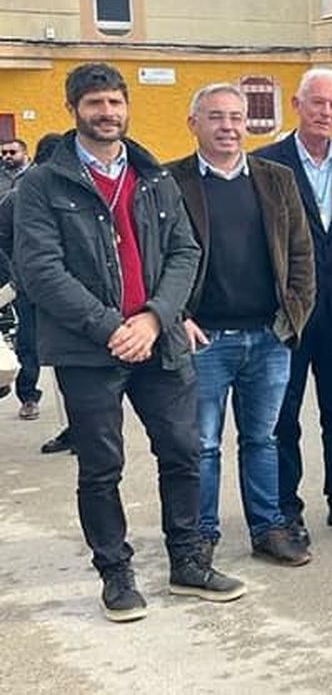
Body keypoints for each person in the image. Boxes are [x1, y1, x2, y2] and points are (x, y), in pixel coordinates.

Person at [13, 62, 246, 621]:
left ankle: (188, 562)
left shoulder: (152, 176)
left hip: (156, 340)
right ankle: (116, 575)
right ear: (73, 109)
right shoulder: (43, 184)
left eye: (115, 102)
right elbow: (39, 270)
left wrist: (153, 318)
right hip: (89, 349)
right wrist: (110, 327)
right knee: (101, 465)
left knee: (183, 451)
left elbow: (184, 252)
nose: (107, 113)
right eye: (95, 103)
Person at [169, 83, 316, 567]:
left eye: (235, 117)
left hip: (268, 337)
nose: (228, 127)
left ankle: (267, 529)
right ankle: (202, 536)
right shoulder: (172, 182)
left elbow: (300, 254)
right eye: (216, 117)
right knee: (204, 446)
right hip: (204, 339)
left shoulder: (276, 179)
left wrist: (291, 316)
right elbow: (156, 260)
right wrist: (178, 316)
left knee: (263, 439)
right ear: (193, 123)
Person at [255, 68, 332, 542]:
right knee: (282, 416)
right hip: (286, 314)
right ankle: (286, 507)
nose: (325, 112)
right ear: (296, 105)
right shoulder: (265, 163)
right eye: (317, 103)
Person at [1, 132, 71, 450]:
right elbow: (3, 236)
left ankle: (77, 426)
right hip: (33, 287)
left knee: (69, 357)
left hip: (70, 289)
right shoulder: (19, 196)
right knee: (31, 344)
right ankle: (29, 397)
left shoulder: (73, 191)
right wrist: (18, 266)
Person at [1, 135, 43, 420]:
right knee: (27, 339)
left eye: (11, 151)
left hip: (55, 276)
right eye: (2, 152)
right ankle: (28, 396)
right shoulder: (5, 187)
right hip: (21, 275)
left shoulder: (41, 181)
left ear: (25, 153)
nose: (6, 156)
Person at [0, 137, 26, 201]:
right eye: (4, 153)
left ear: (24, 152)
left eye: (12, 152)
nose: (8, 155)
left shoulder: (35, 172)